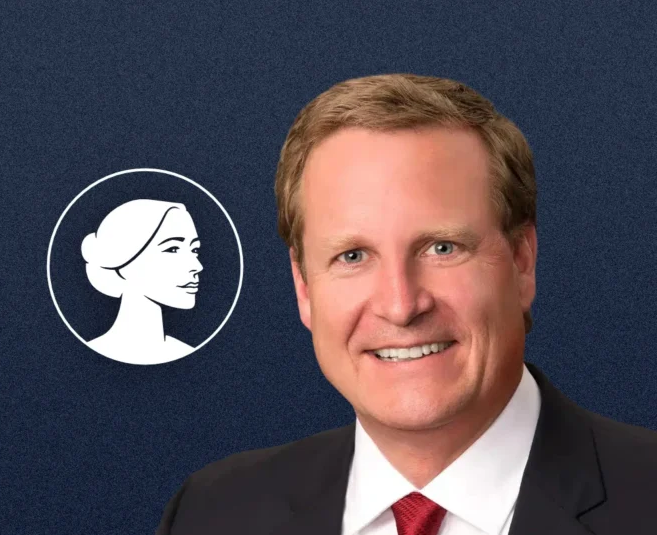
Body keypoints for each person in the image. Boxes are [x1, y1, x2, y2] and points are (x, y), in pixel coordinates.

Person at [155, 74, 657, 534]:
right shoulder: (213, 512)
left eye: (442, 248)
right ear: (303, 287)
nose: (401, 305)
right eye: (352, 256)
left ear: (522, 262)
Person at [81, 199, 203, 365]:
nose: (197, 266)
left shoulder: (188, 354)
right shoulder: (87, 358)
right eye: (173, 249)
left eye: (194, 250)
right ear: (123, 263)